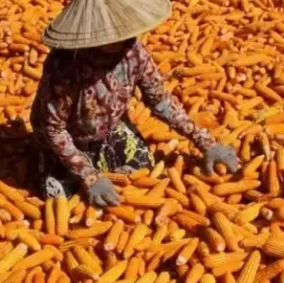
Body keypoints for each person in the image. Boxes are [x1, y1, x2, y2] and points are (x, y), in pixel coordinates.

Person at [31, 0, 239, 208]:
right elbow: (54, 130)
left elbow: (160, 101)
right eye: (112, 34)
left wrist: (205, 142)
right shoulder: (64, 66)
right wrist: (89, 176)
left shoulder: (134, 52)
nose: (122, 40)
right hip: (68, 138)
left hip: (107, 129)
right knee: (57, 196)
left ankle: (100, 167)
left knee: (143, 165)